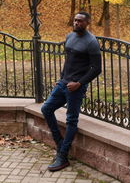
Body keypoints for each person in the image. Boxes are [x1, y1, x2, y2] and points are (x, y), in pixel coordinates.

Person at [41, 11, 102, 172]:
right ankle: (61, 145)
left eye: (80, 21)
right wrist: (61, 78)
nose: (76, 23)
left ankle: (62, 157)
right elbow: (68, 61)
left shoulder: (91, 42)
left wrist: (79, 83)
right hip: (63, 84)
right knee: (46, 109)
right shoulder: (69, 37)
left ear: (87, 22)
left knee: (71, 120)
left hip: (76, 87)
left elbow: (96, 69)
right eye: (75, 20)